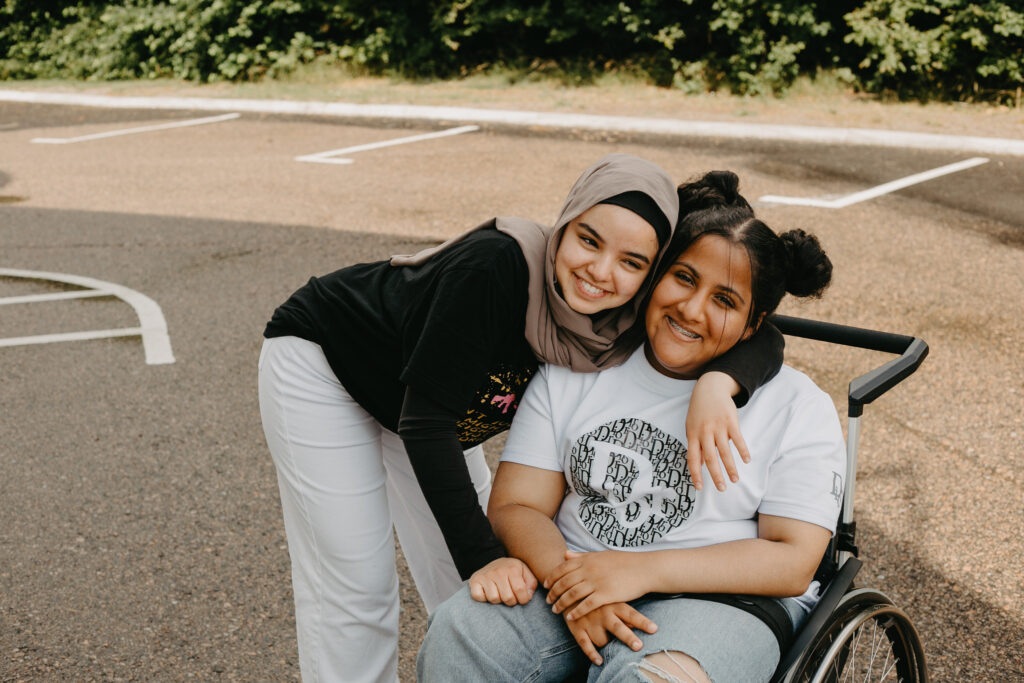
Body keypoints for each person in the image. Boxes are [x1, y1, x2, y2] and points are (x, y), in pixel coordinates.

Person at [258, 156, 784, 682]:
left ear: (652, 270)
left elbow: (762, 331)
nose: (601, 273)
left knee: (484, 594)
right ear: (564, 223)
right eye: (588, 240)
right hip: (333, 367)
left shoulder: (635, 304)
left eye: (631, 261)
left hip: (426, 404)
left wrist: (719, 384)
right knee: (359, 586)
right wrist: (483, 559)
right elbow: (427, 423)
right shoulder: (495, 267)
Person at [417, 170, 843, 683]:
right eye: (684, 277)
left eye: (725, 300)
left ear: (756, 323)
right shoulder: (578, 367)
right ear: (657, 272)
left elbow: (792, 560)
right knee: (460, 631)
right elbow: (517, 504)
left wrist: (635, 570)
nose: (691, 308)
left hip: (723, 601)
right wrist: (573, 586)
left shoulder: (797, 405)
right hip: (572, 573)